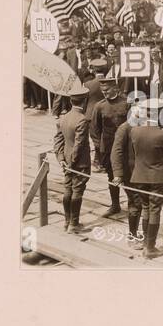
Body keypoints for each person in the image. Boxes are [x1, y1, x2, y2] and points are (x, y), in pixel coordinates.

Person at [129, 98, 163, 260]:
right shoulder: (162, 134)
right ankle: (150, 248)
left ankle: (144, 243)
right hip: (158, 177)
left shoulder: (134, 131)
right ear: (159, 114)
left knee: (145, 207)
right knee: (155, 210)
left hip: (139, 176)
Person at [52, 85, 92, 234]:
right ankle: (74, 224)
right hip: (79, 163)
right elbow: (79, 145)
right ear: (85, 101)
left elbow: (58, 140)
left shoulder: (64, 118)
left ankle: (67, 221)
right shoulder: (82, 120)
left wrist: (61, 158)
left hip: (66, 161)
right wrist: (72, 162)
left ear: (71, 100)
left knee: (67, 189)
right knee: (77, 191)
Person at [88, 79, 130, 217]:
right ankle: (115, 205)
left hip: (126, 146)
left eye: (107, 90)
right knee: (112, 177)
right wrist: (100, 147)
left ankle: (133, 203)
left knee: (129, 174)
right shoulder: (99, 107)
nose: (104, 92)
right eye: (102, 90)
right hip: (108, 148)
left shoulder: (126, 103)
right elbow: (94, 130)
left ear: (115, 88)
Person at [109, 99, 145, 247]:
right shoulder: (124, 128)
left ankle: (139, 233)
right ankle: (132, 236)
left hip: (144, 172)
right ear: (134, 111)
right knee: (135, 203)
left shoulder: (144, 126)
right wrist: (118, 174)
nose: (144, 113)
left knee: (141, 203)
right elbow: (116, 152)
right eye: (141, 110)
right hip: (130, 174)